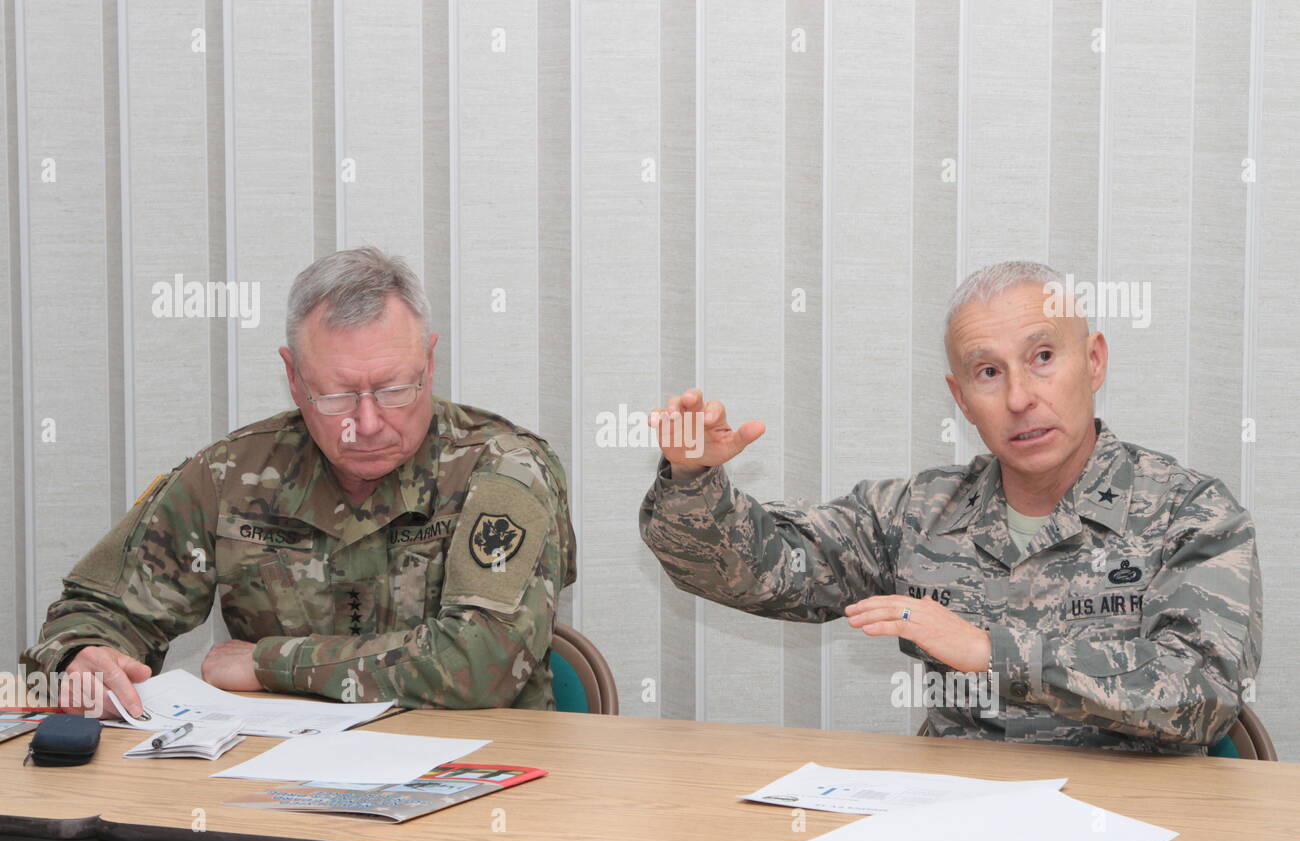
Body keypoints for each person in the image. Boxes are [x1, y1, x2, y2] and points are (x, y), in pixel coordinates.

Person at [640, 260, 1262, 754]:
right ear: (961, 399)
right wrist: (695, 476)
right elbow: (765, 572)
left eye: (1043, 358)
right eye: (988, 372)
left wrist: (994, 652)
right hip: (952, 821)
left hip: (1133, 829)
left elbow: (1203, 696)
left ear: (1093, 360)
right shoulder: (918, 512)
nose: (1020, 397)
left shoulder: (1190, 512)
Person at [23, 247, 576, 718]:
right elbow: (99, 612)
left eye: (392, 390)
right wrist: (85, 655)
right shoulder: (230, 475)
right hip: (274, 789)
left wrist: (269, 663)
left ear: (429, 364)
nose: (366, 423)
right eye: (335, 396)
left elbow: (481, 662)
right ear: (292, 377)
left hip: (481, 780)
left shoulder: (503, 468)